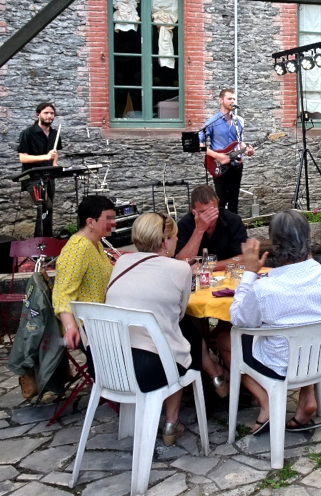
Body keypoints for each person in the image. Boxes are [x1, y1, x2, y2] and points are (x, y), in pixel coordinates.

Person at [219, 210, 321, 435]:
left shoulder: (265, 289)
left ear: (274, 245)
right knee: (307, 326)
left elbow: (239, 318)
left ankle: (267, 401)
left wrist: (250, 274)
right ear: (308, 237)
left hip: (279, 364)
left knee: (224, 339)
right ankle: (307, 396)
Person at [105, 213, 229, 445]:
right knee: (182, 336)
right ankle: (175, 418)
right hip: (146, 368)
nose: (176, 242)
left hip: (106, 363)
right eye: (174, 238)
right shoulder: (178, 268)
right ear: (164, 241)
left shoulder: (121, 262)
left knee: (176, 334)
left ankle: (214, 378)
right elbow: (179, 314)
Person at [52, 195, 116, 350]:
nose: (114, 223)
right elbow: (62, 293)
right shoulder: (78, 248)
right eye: (109, 219)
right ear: (90, 222)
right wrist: (70, 327)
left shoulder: (96, 243)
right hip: (87, 325)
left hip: (101, 319)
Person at [199, 88, 254, 214]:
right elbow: (198, 144)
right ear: (220, 100)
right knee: (221, 200)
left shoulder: (239, 121)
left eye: (234, 99)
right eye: (229, 98)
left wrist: (247, 150)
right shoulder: (212, 122)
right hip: (219, 165)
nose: (232, 101)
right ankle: (220, 229)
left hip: (236, 164)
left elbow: (240, 142)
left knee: (234, 200)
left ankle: (233, 229)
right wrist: (216, 155)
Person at [175, 185, 247, 270]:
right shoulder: (185, 224)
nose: (210, 217)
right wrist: (199, 230)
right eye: (203, 212)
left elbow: (245, 258)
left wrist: (209, 266)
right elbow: (181, 263)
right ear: (192, 210)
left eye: (213, 211)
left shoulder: (233, 220)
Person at [17, 102, 62, 237]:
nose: (49, 116)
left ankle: (44, 243)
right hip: (33, 178)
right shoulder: (28, 133)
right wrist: (45, 157)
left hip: (49, 177)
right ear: (38, 115)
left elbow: (55, 152)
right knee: (45, 208)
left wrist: (54, 163)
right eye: (46, 113)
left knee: (47, 211)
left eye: (52, 113)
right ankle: (40, 245)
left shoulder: (54, 133)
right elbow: (23, 158)